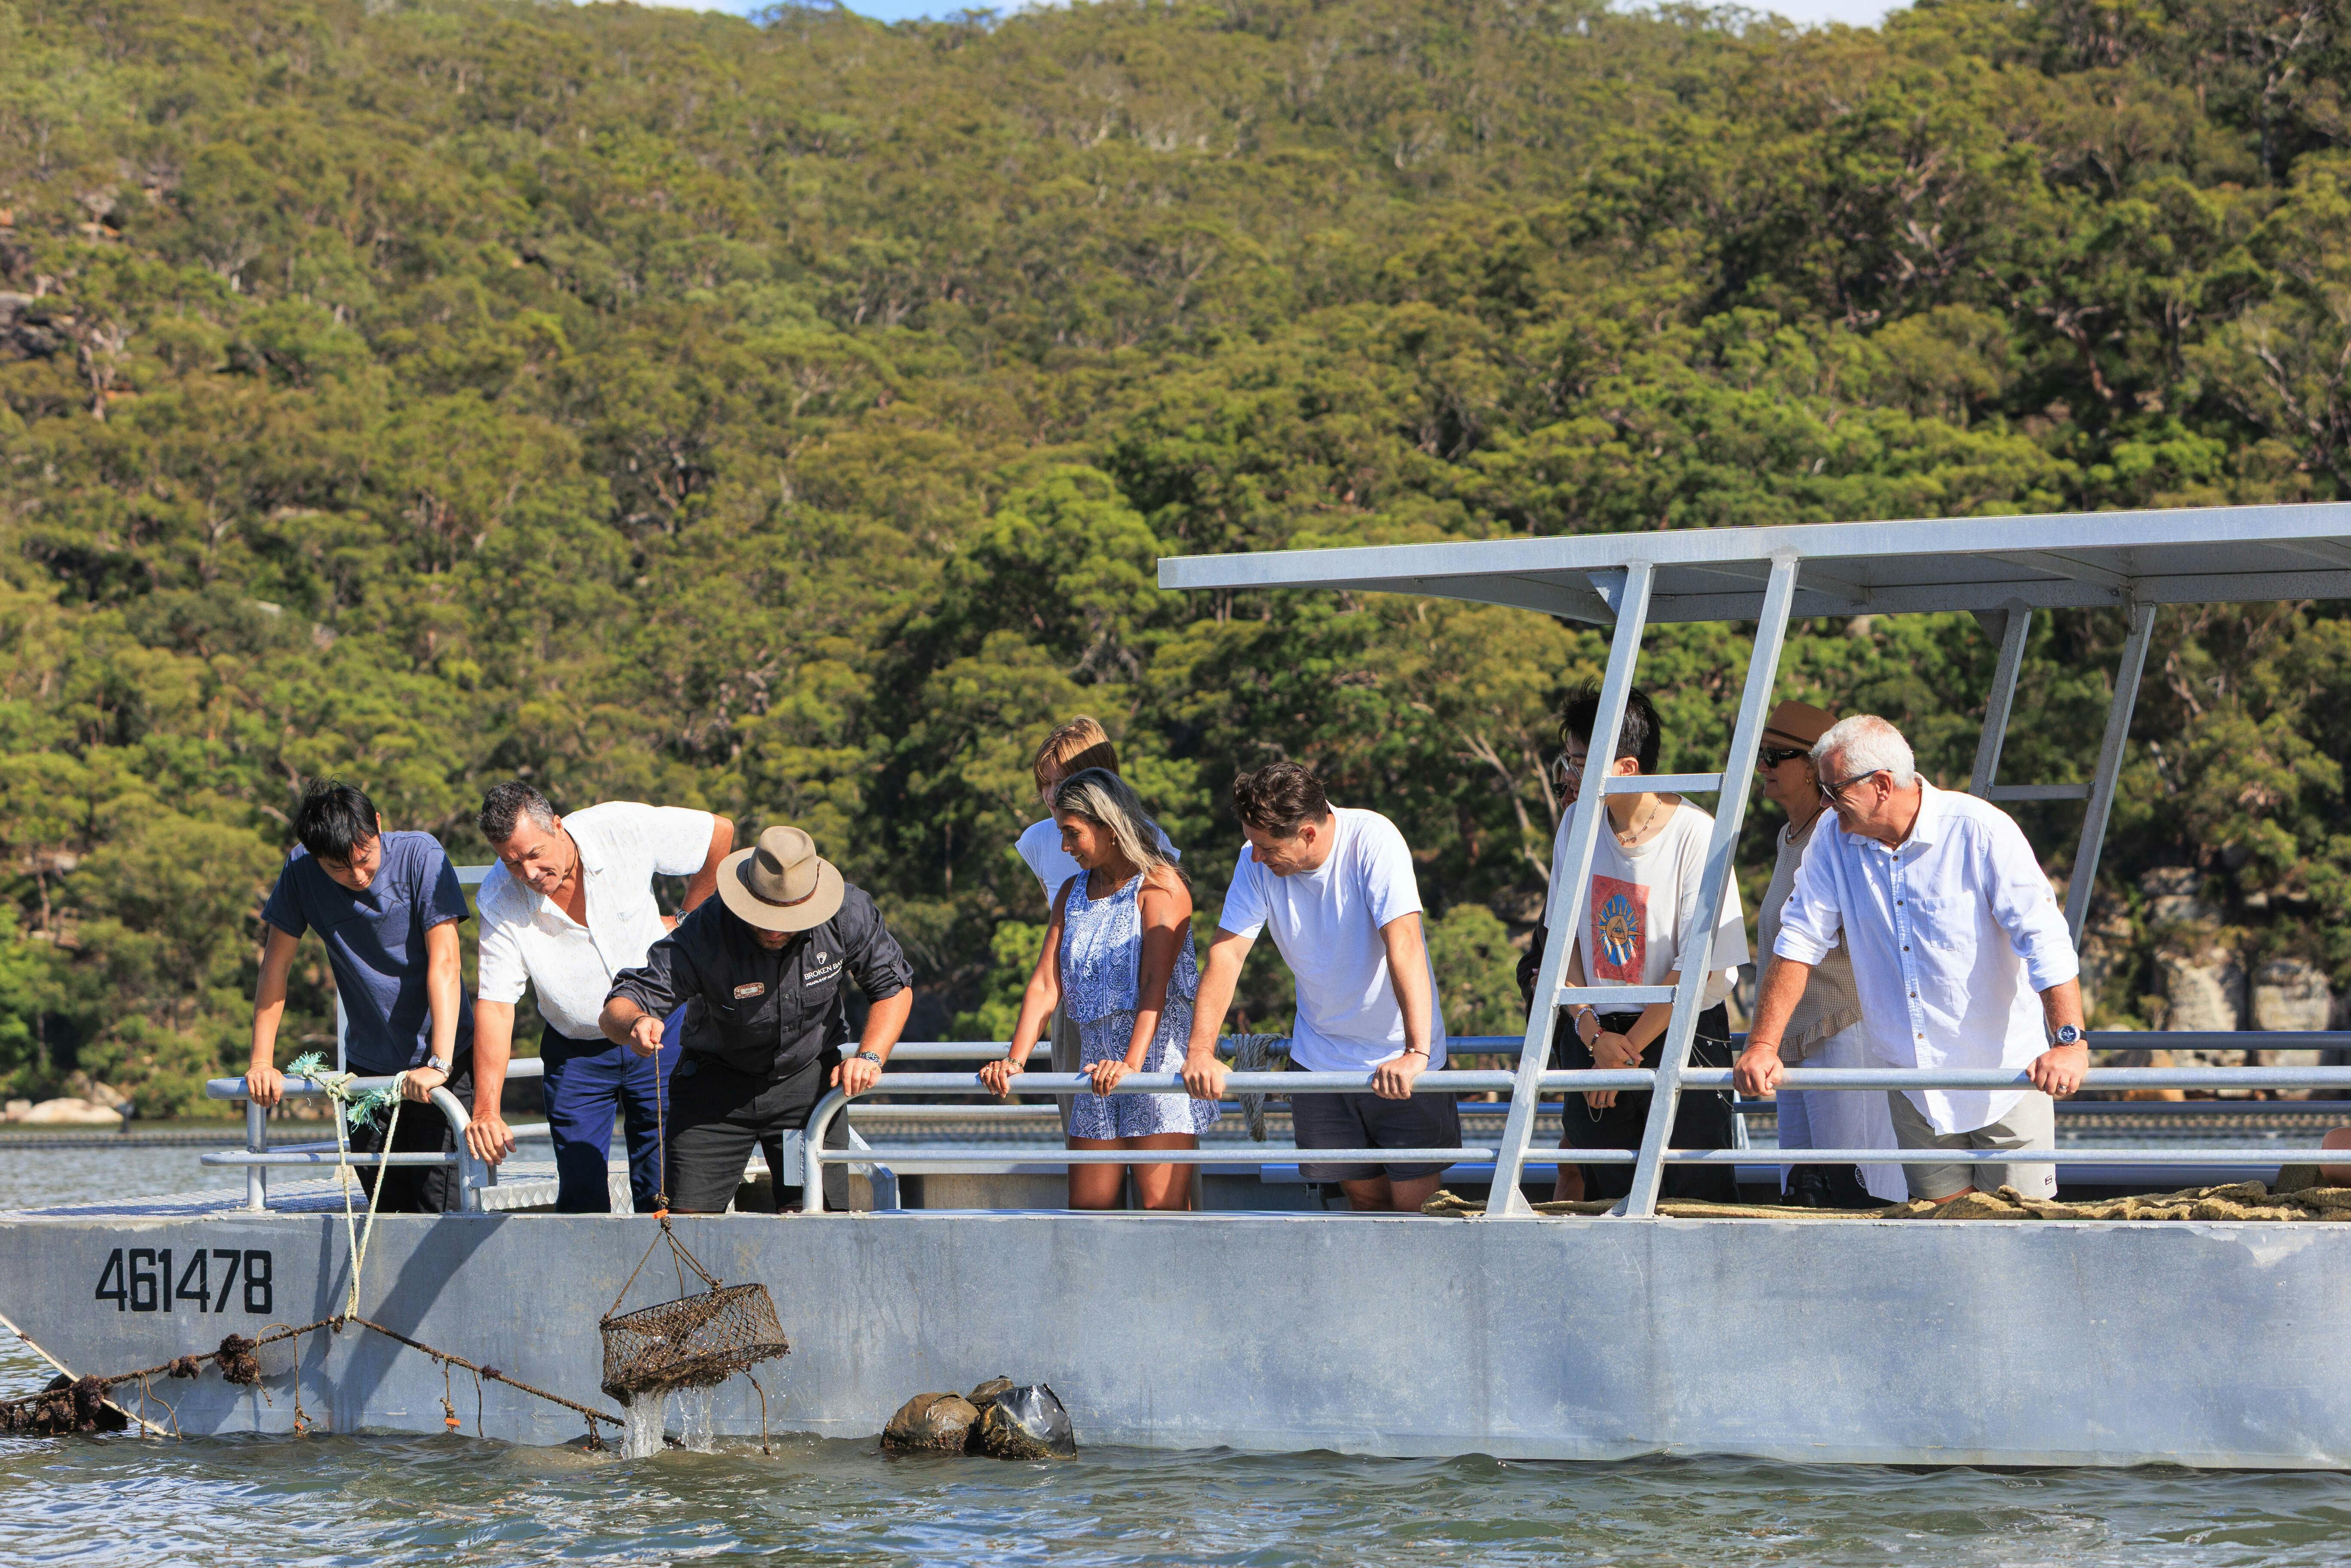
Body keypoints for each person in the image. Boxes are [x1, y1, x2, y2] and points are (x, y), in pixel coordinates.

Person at [1734, 715, 2087, 1204]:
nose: (1826, 803)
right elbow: (1798, 941)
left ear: (1882, 785)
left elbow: (2044, 938)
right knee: (1938, 1234)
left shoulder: (1979, 830)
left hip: (2005, 1079)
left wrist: (2069, 1042)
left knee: (2021, 1235)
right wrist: (1762, 1044)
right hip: (1911, 1085)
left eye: (1834, 791)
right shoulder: (1831, 839)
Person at [1180, 762, 1454, 1213]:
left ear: (1307, 833)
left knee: (1416, 1207)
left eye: (1267, 847)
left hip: (1397, 1055)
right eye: (1252, 843)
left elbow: (1404, 944)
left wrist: (1416, 1053)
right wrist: (1200, 1052)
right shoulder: (1254, 859)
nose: (1255, 857)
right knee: (1362, 1200)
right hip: (1320, 1061)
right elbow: (1227, 954)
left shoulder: (1373, 839)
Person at [600, 825, 913, 1213]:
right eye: (763, 913)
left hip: (809, 1084)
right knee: (686, 1224)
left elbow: (892, 988)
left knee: (817, 1220)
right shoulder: (705, 929)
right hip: (714, 1089)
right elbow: (618, 1008)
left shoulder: (849, 912)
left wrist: (869, 1057)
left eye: (789, 915)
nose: (774, 928)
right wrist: (635, 1023)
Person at [468, 782, 735, 1213]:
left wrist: (689, 920)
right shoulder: (499, 898)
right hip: (577, 1053)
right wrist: (487, 1109)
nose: (529, 873)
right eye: (512, 863)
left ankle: (670, 1257)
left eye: (535, 854)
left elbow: (718, 833)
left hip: (661, 1031)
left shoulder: (620, 827)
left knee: (667, 1187)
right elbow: (497, 1006)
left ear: (557, 826)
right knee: (580, 1194)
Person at [1534, 686, 1747, 1204]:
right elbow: (1563, 943)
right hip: (1596, 1035)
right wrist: (1593, 1036)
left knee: (1696, 1200)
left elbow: (1698, 967)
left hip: (1682, 1031)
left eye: (1578, 763)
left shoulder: (1697, 833)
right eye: (1568, 760)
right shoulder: (1575, 827)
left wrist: (1621, 1055)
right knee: (1606, 1196)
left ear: (1627, 769)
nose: (1568, 775)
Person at [979, 769, 1217, 1209]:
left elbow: (1155, 985)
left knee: (1163, 1213)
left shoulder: (1161, 886)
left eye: (1073, 834)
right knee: (1089, 1214)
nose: (1065, 847)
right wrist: (1014, 1060)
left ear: (1110, 827)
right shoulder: (1071, 892)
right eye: (1062, 834)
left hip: (1153, 1067)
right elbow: (1046, 983)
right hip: (1095, 1072)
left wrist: (1131, 1066)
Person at [244, 779, 474, 1213]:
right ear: (315, 857)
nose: (358, 876)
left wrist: (439, 1065)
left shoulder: (421, 855)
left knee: (440, 1211)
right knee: (384, 1213)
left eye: (365, 858)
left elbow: (445, 962)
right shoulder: (300, 870)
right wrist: (261, 1062)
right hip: (368, 1069)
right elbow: (275, 967)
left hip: (442, 1061)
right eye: (338, 868)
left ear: (378, 825)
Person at [1749, 700, 1905, 1207]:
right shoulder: (1789, 837)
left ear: (1811, 767)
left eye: (1776, 756)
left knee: (1855, 1189)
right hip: (1793, 1039)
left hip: (1842, 1030)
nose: (1763, 767)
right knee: (1800, 1192)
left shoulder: (1840, 834)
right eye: (1761, 754)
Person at [1014, 718, 1178, 1131]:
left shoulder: (1153, 850)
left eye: (1063, 781)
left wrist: (1132, 1061)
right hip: (1075, 1008)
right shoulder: (1039, 841)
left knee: (1156, 1133)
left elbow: (1159, 968)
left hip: (1142, 1008)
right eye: (1045, 783)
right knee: (1083, 1128)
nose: (1052, 794)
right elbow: (1054, 953)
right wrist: (1015, 1058)